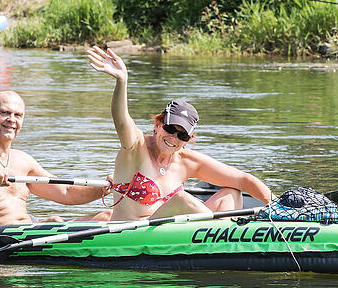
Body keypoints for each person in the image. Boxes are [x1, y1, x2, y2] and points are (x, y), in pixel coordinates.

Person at [87, 46, 272, 221]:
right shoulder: (135, 147)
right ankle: (226, 235)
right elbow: (121, 119)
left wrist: (280, 205)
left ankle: (225, 242)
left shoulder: (186, 161)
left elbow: (243, 179)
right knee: (182, 199)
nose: (173, 138)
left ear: (189, 140)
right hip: (132, 233)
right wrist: (122, 81)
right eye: (170, 129)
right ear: (158, 125)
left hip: (175, 234)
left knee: (232, 192)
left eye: (182, 135)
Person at [0, 90, 110, 227]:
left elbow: (66, 192)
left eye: (18, 115)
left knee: (108, 215)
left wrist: (102, 188)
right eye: (5, 113)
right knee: (55, 221)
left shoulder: (23, 160)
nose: (12, 120)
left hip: (27, 231)